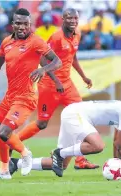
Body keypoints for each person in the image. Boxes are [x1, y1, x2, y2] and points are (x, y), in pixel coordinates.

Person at [0, 8, 62, 179]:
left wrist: (43, 70)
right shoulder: (6, 42)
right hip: (10, 96)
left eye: (25, 23)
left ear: (30, 24)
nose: (22, 27)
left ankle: (25, 153)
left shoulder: (36, 41)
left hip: (26, 97)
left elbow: (57, 61)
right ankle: (4, 171)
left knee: (3, 132)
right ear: (13, 24)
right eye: (18, 23)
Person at [13, 8, 99, 170]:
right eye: (69, 18)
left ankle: (80, 161)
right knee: (42, 123)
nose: (73, 21)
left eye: (75, 18)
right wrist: (56, 80)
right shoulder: (57, 37)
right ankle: (13, 142)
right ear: (62, 19)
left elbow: (72, 57)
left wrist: (83, 76)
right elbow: (43, 60)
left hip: (68, 85)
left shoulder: (77, 35)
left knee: (81, 117)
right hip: (49, 86)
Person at [9, 100, 121, 177]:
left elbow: (117, 143)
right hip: (76, 114)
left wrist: (120, 166)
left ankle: (16, 164)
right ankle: (59, 153)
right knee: (98, 146)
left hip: (72, 113)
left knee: (62, 165)